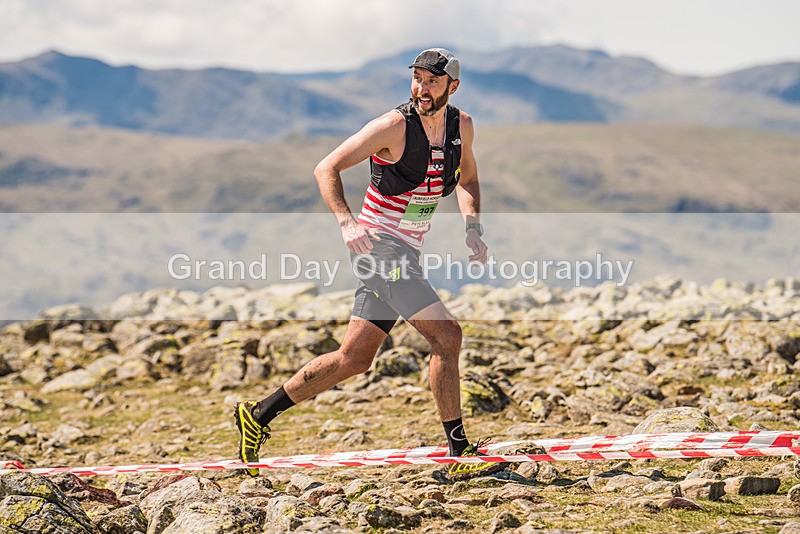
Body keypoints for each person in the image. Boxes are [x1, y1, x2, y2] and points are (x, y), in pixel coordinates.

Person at [234, 48, 500, 480]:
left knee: (355, 358)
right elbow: (326, 167)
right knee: (447, 334)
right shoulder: (393, 126)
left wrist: (473, 229)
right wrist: (346, 223)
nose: (421, 88)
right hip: (378, 249)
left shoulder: (460, 126)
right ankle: (458, 447)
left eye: (431, 81)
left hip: (406, 251)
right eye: (416, 79)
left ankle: (259, 414)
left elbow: (467, 179)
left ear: (452, 86)